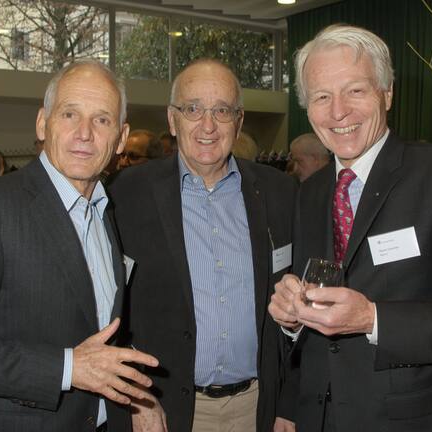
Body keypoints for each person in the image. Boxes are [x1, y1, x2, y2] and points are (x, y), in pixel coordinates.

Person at [267, 24, 432, 431]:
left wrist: (372, 319)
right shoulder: (311, 191)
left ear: (387, 93)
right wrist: (293, 319)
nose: (338, 112)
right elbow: (317, 313)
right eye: (321, 96)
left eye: (355, 90)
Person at [0, 60, 159, 432]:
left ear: (120, 138)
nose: (84, 133)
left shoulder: (104, 210)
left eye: (102, 120)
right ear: (42, 123)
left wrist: (137, 398)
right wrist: (68, 368)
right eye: (69, 114)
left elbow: (94, 326)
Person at [109, 58, 297, 432]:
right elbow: (107, 310)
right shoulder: (126, 194)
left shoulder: (280, 193)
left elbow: (301, 307)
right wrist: (135, 397)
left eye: (222, 111)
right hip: (165, 410)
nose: (208, 126)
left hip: (258, 405)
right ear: (172, 119)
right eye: (193, 109)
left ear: (238, 121)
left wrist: (288, 404)